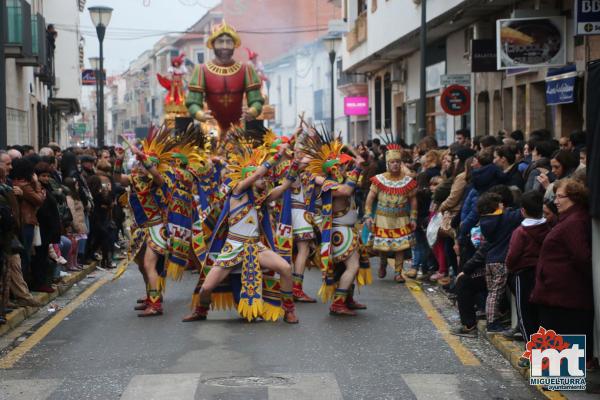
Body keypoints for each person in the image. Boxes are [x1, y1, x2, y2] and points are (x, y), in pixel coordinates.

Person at [184, 136, 299, 323]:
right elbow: (255, 175)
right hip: (233, 247)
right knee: (206, 288)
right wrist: (277, 156)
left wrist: (296, 165)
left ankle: (289, 310)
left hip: (254, 248)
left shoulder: (261, 200)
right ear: (250, 178)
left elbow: (285, 186)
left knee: (285, 268)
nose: (264, 181)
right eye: (261, 179)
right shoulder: (237, 192)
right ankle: (201, 310)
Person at [530, 179, 594, 364]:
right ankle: (553, 379)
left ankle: (556, 380)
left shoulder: (574, 222)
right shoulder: (568, 219)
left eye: (560, 197)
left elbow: (582, 257)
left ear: (574, 197)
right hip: (557, 292)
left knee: (558, 338)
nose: (556, 201)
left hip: (564, 294)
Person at [186, 21, 264, 134]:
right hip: (210, 130)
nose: (225, 46)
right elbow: (193, 102)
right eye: (220, 42)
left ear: (234, 44)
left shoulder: (246, 69)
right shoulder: (201, 70)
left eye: (229, 42)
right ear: (212, 44)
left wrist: (252, 111)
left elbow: (256, 100)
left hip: (239, 130)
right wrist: (200, 115)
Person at [505, 191, 550, 357]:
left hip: (523, 274)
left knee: (524, 314)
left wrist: (509, 267)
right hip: (543, 272)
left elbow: (512, 255)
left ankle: (530, 352)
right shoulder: (548, 227)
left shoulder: (521, 232)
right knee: (540, 313)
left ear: (523, 210)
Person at [364, 144, 417, 283]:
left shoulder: (407, 181)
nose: (395, 165)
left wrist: (413, 217)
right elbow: (370, 198)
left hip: (401, 218)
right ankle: (383, 263)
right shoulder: (379, 179)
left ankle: (398, 272)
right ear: (388, 163)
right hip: (382, 218)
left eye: (397, 162)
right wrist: (368, 215)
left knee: (400, 246)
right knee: (384, 246)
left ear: (401, 163)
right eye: (392, 162)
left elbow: (413, 200)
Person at [477, 191, 523, 332]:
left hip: (489, 260)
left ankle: (492, 318)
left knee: (492, 292)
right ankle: (492, 323)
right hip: (501, 260)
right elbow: (520, 213)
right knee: (496, 293)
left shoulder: (484, 221)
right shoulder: (505, 218)